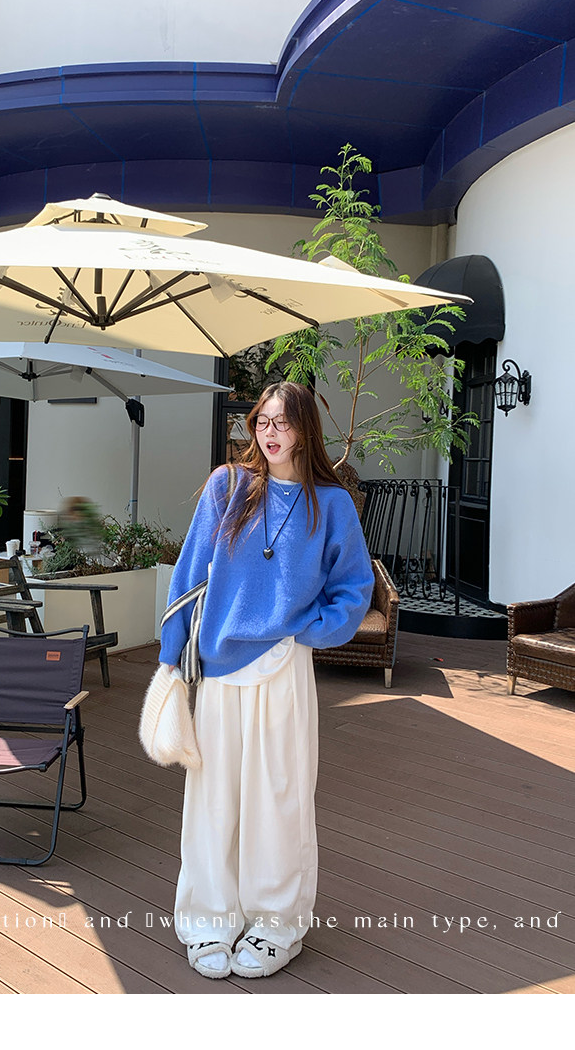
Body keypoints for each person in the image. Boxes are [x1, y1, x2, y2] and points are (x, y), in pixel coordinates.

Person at [159, 381, 374, 980]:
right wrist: (171, 656)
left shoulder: (331, 504)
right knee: (213, 800)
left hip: (284, 665)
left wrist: (311, 630)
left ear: (306, 430)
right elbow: (189, 574)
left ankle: (277, 923)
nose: (270, 433)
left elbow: (354, 587)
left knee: (279, 800)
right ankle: (208, 919)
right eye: (262, 422)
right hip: (221, 668)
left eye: (283, 422)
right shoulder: (227, 487)